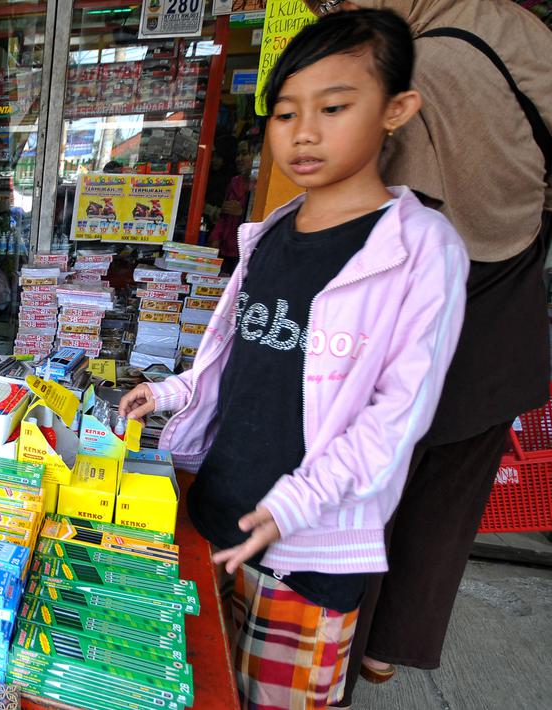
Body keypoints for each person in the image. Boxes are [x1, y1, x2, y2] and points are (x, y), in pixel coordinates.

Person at [118, 11, 468, 708]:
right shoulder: (269, 233)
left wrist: (294, 503)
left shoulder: (421, 250)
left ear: (395, 110)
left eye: (333, 107)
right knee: (198, 686)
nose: (302, 133)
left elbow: (397, 418)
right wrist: (170, 394)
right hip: (216, 507)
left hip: (307, 548)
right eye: (284, 113)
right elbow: (235, 357)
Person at [302, 2, 552, 705]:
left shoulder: (412, 67)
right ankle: (387, 652)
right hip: (509, 298)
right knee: (446, 501)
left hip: (418, 302)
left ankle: (338, 667)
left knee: (362, 493)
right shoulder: (517, 26)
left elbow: (381, 214)